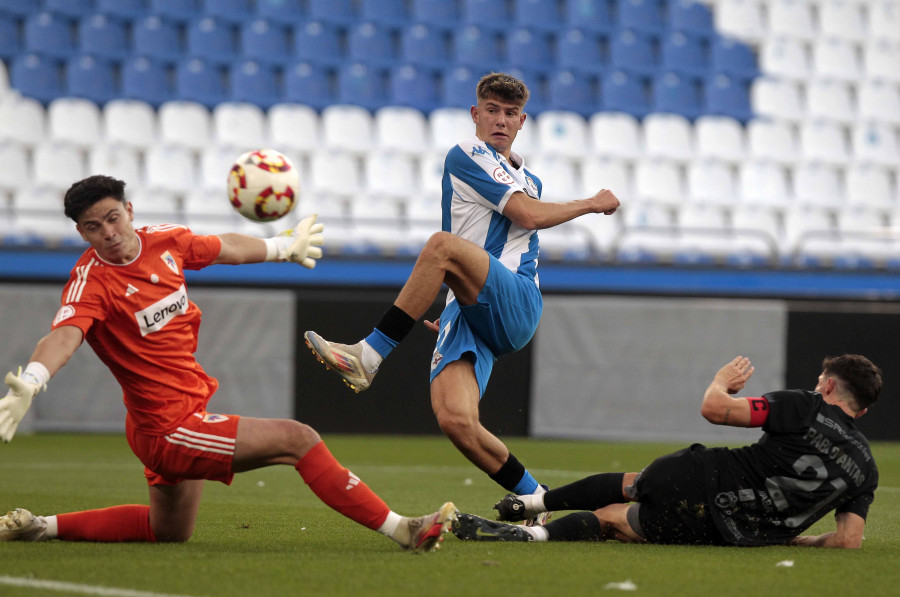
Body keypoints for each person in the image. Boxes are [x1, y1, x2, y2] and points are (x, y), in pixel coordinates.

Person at [0, 175, 456, 551]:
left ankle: (41, 526)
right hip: (167, 426)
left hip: (170, 416)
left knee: (169, 532)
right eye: (93, 226)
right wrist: (33, 381)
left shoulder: (164, 242)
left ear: (130, 211)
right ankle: (403, 529)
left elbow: (223, 247)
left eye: (113, 218)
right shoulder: (90, 283)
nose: (109, 233)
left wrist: (282, 247)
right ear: (82, 233)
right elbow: (65, 336)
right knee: (298, 439)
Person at [303, 72, 621, 520]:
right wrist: (464, 301)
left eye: (510, 113)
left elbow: (524, 220)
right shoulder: (470, 154)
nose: (500, 120)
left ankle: (368, 356)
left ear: (522, 122)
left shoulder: (529, 182)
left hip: (515, 302)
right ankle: (536, 499)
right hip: (473, 307)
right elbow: (520, 221)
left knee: (442, 246)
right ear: (475, 114)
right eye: (492, 110)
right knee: (456, 420)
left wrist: (590, 203)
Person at [451, 355, 881, 549]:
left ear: (827, 385)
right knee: (609, 522)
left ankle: (530, 503)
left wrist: (720, 381)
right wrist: (798, 539)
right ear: (861, 408)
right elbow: (848, 541)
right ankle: (531, 534)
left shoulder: (806, 405)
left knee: (629, 486)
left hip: (703, 476)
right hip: (730, 532)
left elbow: (715, 409)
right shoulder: (865, 469)